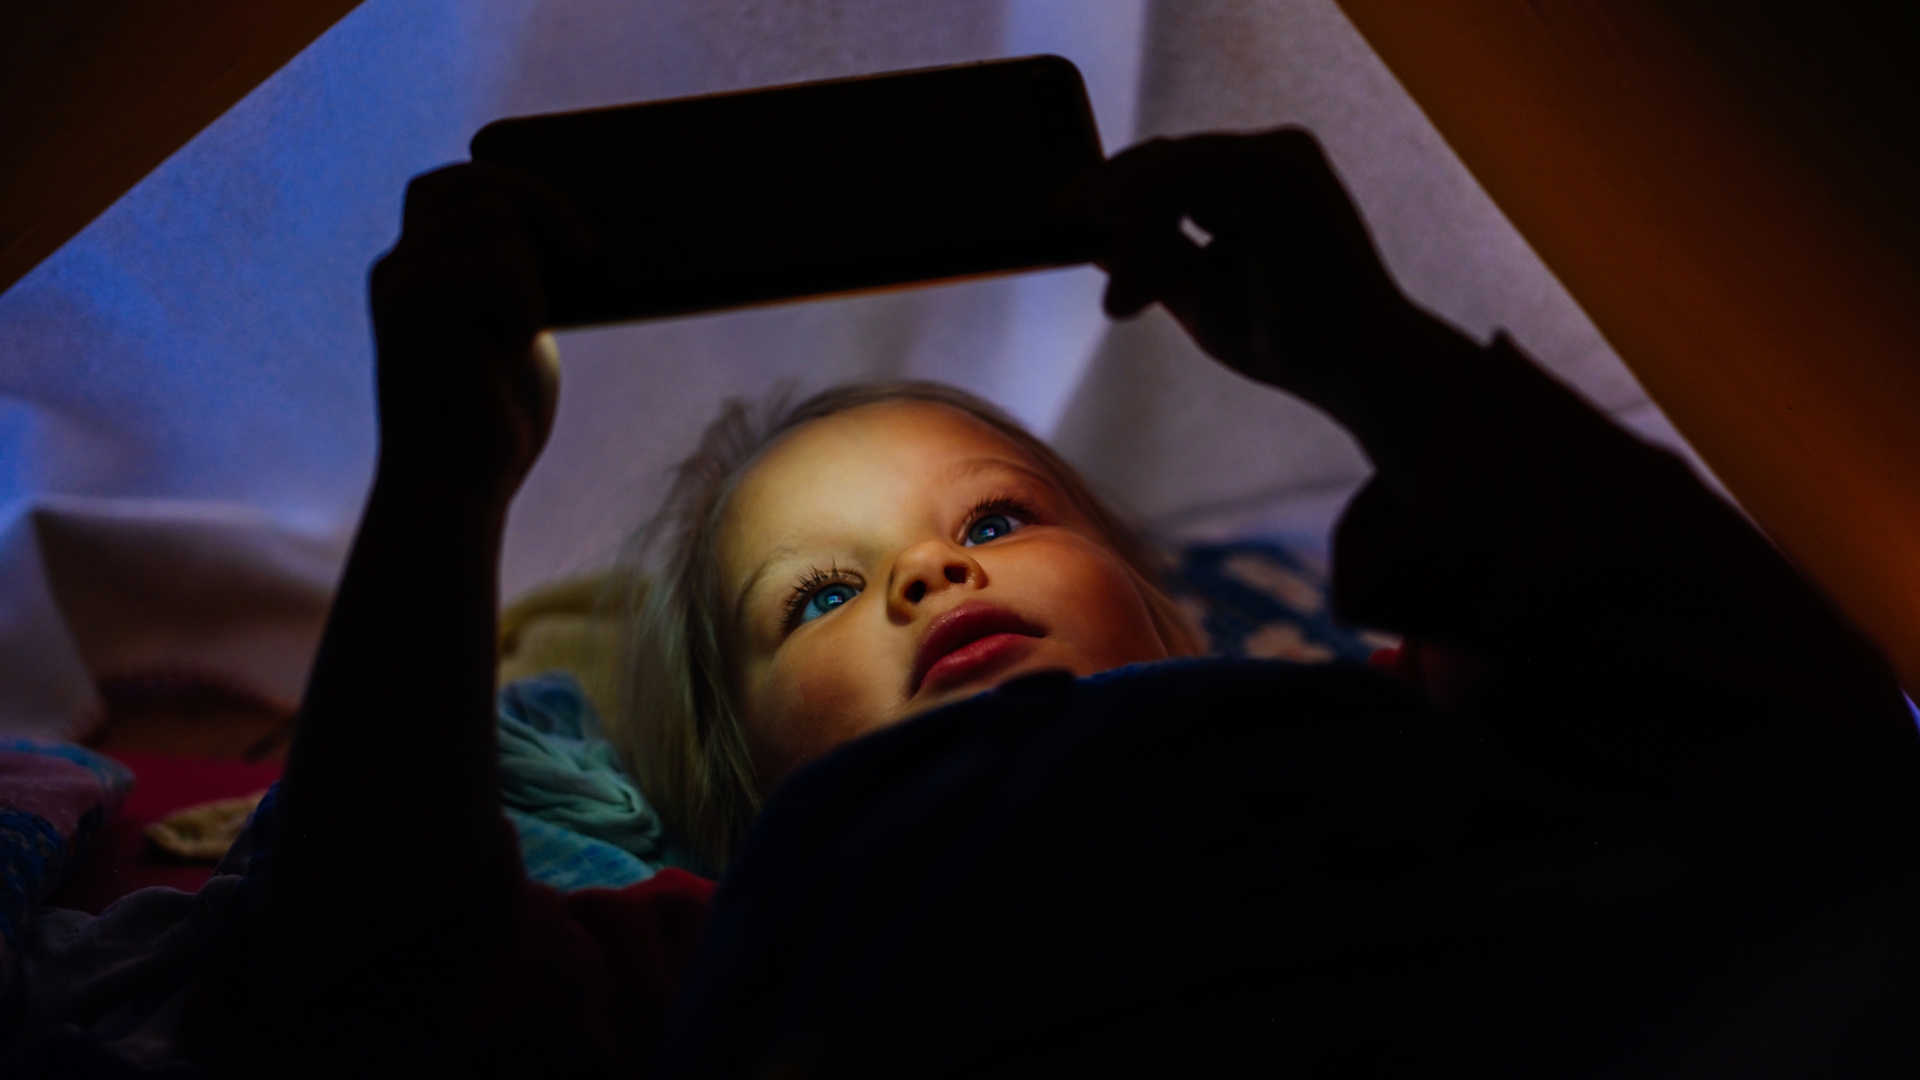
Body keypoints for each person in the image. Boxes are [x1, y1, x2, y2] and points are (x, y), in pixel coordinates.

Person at [180, 130, 1920, 1077]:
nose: (931, 573)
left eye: (998, 520)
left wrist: (1369, 350)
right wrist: (441, 484)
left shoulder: (1396, 707)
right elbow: (374, 991)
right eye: (819, 599)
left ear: (1171, 614)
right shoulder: (726, 926)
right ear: (742, 787)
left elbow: (1776, 725)